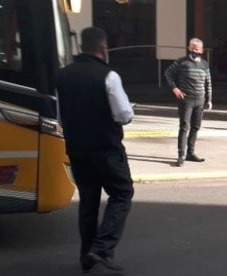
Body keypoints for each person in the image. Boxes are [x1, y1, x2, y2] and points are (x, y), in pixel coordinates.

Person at [55, 27, 134, 273]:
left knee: (88, 201)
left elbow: (59, 116)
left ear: (81, 46)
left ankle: (86, 255)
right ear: (103, 48)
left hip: (77, 150)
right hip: (106, 149)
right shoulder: (109, 76)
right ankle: (101, 247)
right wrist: (130, 111)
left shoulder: (62, 75)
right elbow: (123, 114)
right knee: (122, 193)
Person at [164, 38, 213, 167]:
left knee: (196, 127)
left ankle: (191, 153)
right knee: (184, 126)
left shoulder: (205, 64)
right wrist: (175, 88)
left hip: (200, 100)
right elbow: (168, 73)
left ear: (202, 50)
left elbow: (208, 82)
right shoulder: (181, 62)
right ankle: (181, 155)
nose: (194, 51)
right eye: (192, 48)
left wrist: (209, 99)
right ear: (188, 48)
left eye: (197, 49)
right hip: (186, 100)